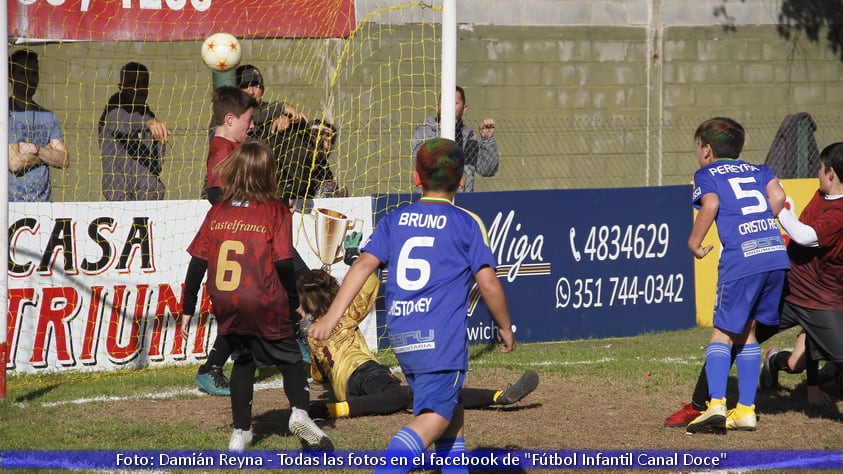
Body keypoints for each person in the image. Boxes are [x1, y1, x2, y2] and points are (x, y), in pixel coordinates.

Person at [309, 137, 516, 472]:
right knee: (435, 416)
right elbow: (488, 283)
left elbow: (361, 265)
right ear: (462, 180)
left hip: (405, 335)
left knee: (449, 403)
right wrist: (504, 326)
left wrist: (332, 318)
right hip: (441, 339)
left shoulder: (395, 220)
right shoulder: (466, 222)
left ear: (415, 179)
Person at [665, 141, 843, 428]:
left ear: (831, 172)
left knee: (726, 333)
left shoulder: (838, 210)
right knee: (741, 335)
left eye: (820, 169)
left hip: (821, 300)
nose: (817, 174)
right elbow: (781, 203)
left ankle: (720, 405)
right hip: (788, 284)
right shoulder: (816, 194)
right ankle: (706, 404)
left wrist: (774, 212)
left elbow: (806, 235)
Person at [180, 139, 333, 451]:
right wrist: (293, 304)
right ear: (269, 174)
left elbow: (196, 265)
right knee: (291, 360)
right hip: (263, 298)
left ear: (234, 172)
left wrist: (187, 308)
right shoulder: (275, 210)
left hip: (224, 299)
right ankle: (300, 413)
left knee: (243, 360)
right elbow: (283, 262)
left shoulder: (218, 211)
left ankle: (240, 433)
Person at [297, 268, 539, 419]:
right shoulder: (345, 312)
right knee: (416, 394)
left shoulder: (312, 333)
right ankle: (498, 396)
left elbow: (318, 377)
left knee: (409, 397)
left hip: (344, 388)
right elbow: (370, 283)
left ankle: (337, 408)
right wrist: (355, 262)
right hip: (365, 371)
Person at [683, 117, 790, 435]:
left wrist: (694, 241)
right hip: (773, 255)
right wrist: (759, 222)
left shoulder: (707, 174)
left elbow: (711, 203)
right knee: (748, 332)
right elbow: (779, 197)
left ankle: (715, 405)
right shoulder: (760, 170)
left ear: (706, 150)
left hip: (742, 261)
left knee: (721, 333)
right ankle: (745, 410)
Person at [193, 85, 258, 396]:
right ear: (231, 119)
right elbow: (215, 193)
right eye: (249, 119)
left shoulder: (234, 149)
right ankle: (212, 367)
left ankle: (214, 366)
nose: (253, 125)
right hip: (240, 239)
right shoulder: (221, 148)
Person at [99, 62, 170, 201]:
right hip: (120, 197)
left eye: (144, 83)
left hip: (149, 197)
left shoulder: (149, 115)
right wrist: (147, 123)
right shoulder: (114, 110)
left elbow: (157, 164)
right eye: (133, 83)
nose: (139, 88)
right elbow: (124, 122)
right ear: (122, 87)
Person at [8, 49, 69, 202]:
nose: (30, 79)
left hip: (43, 204)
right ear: (11, 76)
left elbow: (63, 159)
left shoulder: (48, 116)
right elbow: (14, 163)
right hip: (11, 205)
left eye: (34, 73)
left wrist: (36, 150)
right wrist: (47, 154)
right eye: (23, 73)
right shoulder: (5, 113)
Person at [411, 85, 499, 192]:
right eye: (445, 102)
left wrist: (487, 140)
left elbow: (487, 170)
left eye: (455, 103)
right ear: (438, 106)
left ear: (464, 109)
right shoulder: (425, 131)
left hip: (462, 200)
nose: (449, 107)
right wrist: (454, 178)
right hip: (432, 200)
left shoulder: (469, 137)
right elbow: (421, 164)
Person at [269, 119, 345, 199]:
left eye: (331, 141)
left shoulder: (322, 165)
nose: (327, 145)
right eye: (321, 137)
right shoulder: (292, 153)